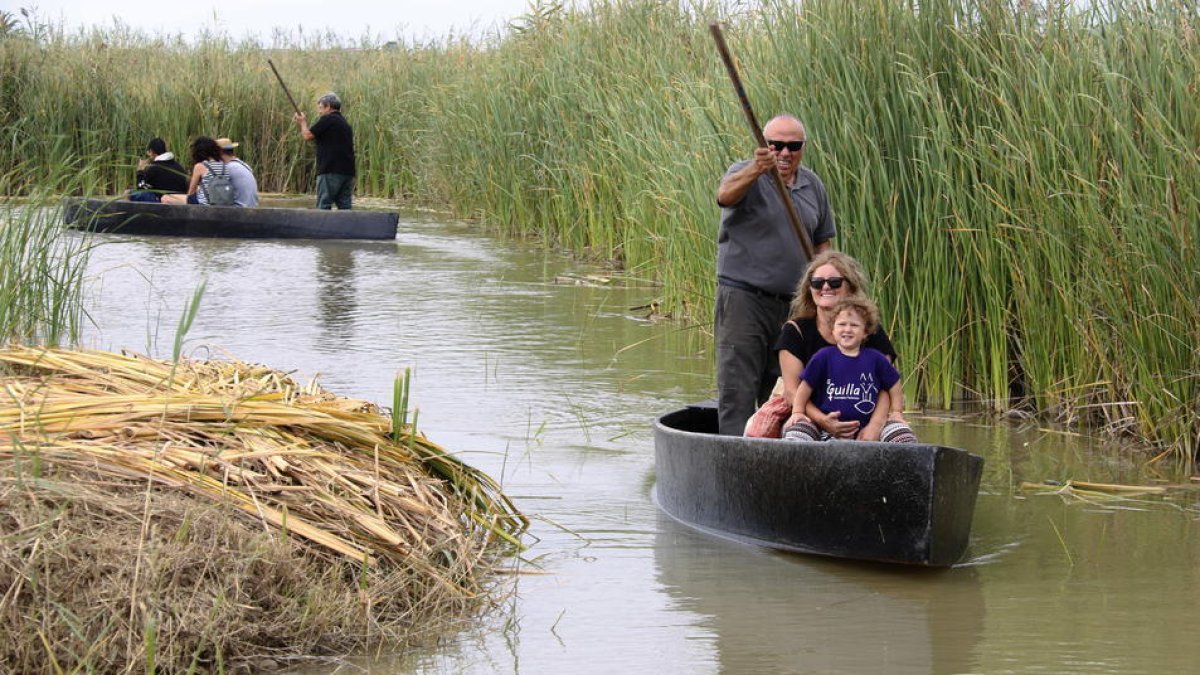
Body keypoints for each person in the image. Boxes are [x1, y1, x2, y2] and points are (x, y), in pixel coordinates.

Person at [715, 113, 836, 435]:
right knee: (738, 386)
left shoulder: (813, 185)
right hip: (745, 298)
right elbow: (724, 196)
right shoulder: (746, 173)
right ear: (764, 146)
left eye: (793, 146)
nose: (784, 153)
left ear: (802, 148)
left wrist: (825, 283)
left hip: (793, 305)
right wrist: (757, 168)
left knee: (783, 390)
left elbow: (822, 243)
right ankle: (733, 457)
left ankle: (774, 456)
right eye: (776, 145)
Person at [751, 251, 898, 440]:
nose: (825, 287)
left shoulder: (871, 332)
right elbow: (792, 391)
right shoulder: (795, 331)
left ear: (850, 288)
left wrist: (874, 427)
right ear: (809, 289)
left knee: (900, 437)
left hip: (869, 418)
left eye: (834, 282)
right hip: (809, 414)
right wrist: (824, 421)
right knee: (798, 435)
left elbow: (886, 387)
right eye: (817, 282)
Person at [783, 295, 916, 443]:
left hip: (866, 431)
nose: (847, 329)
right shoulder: (822, 357)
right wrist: (798, 411)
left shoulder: (875, 359)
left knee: (902, 434)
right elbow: (805, 387)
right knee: (798, 432)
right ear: (833, 329)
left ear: (865, 331)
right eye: (841, 324)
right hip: (824, 429)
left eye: (854, 325)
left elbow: (894, 385)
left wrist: (897, 412)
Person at [294, 92, 355, 210]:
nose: (319, 111)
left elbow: (307, 136)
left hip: (330, 171)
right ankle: (346, 228)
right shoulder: (345, 124)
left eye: (321, 108)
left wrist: (302, 122)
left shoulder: (328, 119)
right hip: (347, 173)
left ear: (328, 107)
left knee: (323, 205)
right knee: (345, 208)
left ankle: (320, 228)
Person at [161, 136, 230, 206]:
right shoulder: (224, 165)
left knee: (165, 198)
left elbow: (191, 192)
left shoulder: (200, 166)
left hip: (204, 203)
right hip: (221, 203)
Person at [129, 138, 188, 202]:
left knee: (131, 193)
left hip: (162, 201)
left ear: (152, 152)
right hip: (180, 199)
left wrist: (140, 171)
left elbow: (141, 188)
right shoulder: (178, 166)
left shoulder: (154, 168)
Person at [215, 137, 260, 207]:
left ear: (220, 151)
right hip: (252, 209)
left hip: (238, 211)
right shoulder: (244, 165)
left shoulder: (227, 169)